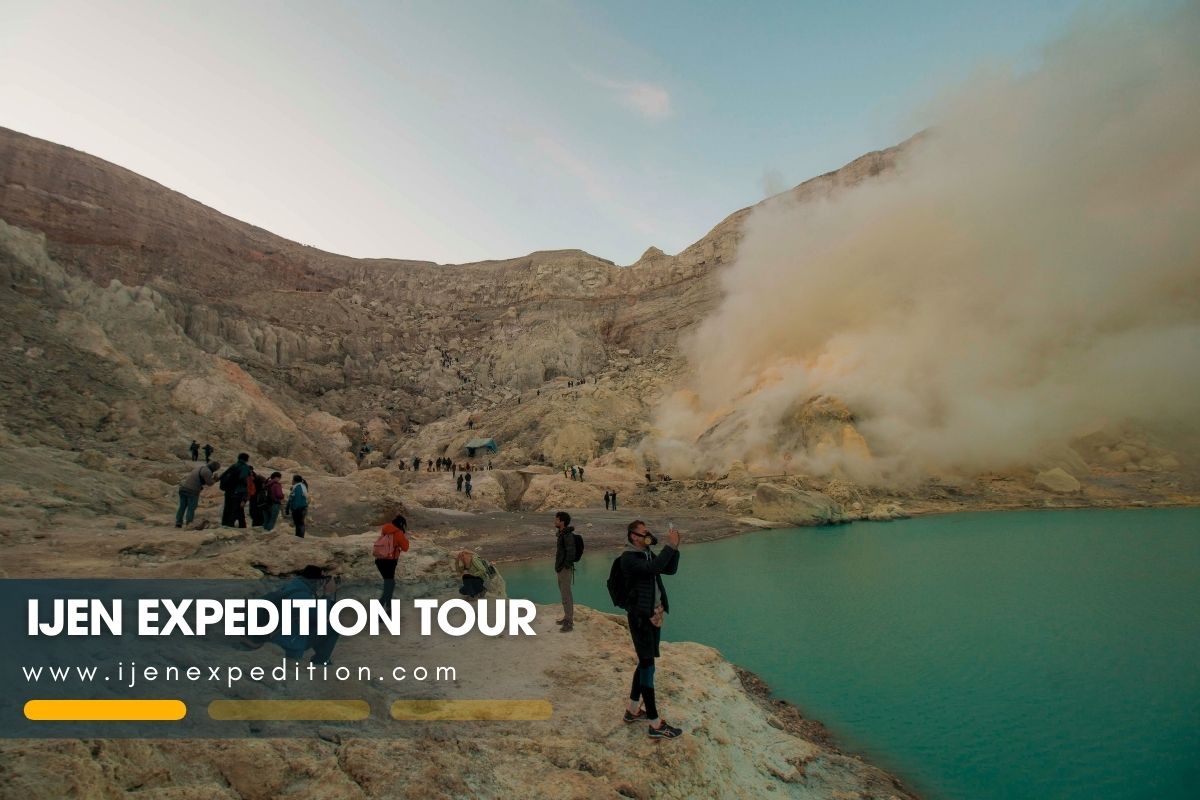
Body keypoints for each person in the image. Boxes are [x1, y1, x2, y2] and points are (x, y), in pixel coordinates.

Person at [620, 520, 683, 739]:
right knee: (648, 666)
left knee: (646, 662)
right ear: (633, 536)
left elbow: (668, 569)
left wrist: (675, 548)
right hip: (640, 619)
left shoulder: (646, 554)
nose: (648, 536)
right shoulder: (628, 559)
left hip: (653, 616)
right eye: (644, 533)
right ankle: (655, 724)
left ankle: (633, 709)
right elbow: (653, 569)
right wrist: (670, 546)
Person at [239, 565, 340, 665]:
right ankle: (321, 661)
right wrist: (328, 594)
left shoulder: (291, 588)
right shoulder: (301, 595)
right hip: (281, 646)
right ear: (316, 581)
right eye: (322, 581)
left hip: (260, 638)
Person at [374, 515, 410, 604]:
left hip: (380, 560)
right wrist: (406, 539)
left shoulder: (385, 529)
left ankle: (388, 606)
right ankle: (381, 605)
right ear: (401, 523)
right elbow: (405, 548)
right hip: (390, 561)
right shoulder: (398, 532)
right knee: (390, 584)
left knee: (389, 583)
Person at [553, 511, 577, 632]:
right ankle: (567, 617)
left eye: (557, 520)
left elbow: (571, 552)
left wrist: (565, 566)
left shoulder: (567, 536)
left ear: (562, 522)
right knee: (564, 595)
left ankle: (569, 622)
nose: (555, 521)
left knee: (566, 595)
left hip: (564, 569)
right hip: (561, 568)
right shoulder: (562, 534)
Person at [176, 460, 219, 528]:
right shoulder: (207, 471)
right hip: (192, 490)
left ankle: (178, 522)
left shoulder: (200, 468)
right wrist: (215, 479)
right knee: (191, 508)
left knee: (182, 507)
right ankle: (189, 523)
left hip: (183, 488)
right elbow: (209, 483)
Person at [218, 453, 252, 528]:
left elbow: (222, 476)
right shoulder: (244, 467)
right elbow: (243, 478)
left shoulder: (234, 465)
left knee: (228, 507)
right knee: (237, 508)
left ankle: (225, 523)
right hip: (238, 491)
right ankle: (233, 525)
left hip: (228, 490)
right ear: (246, 459)